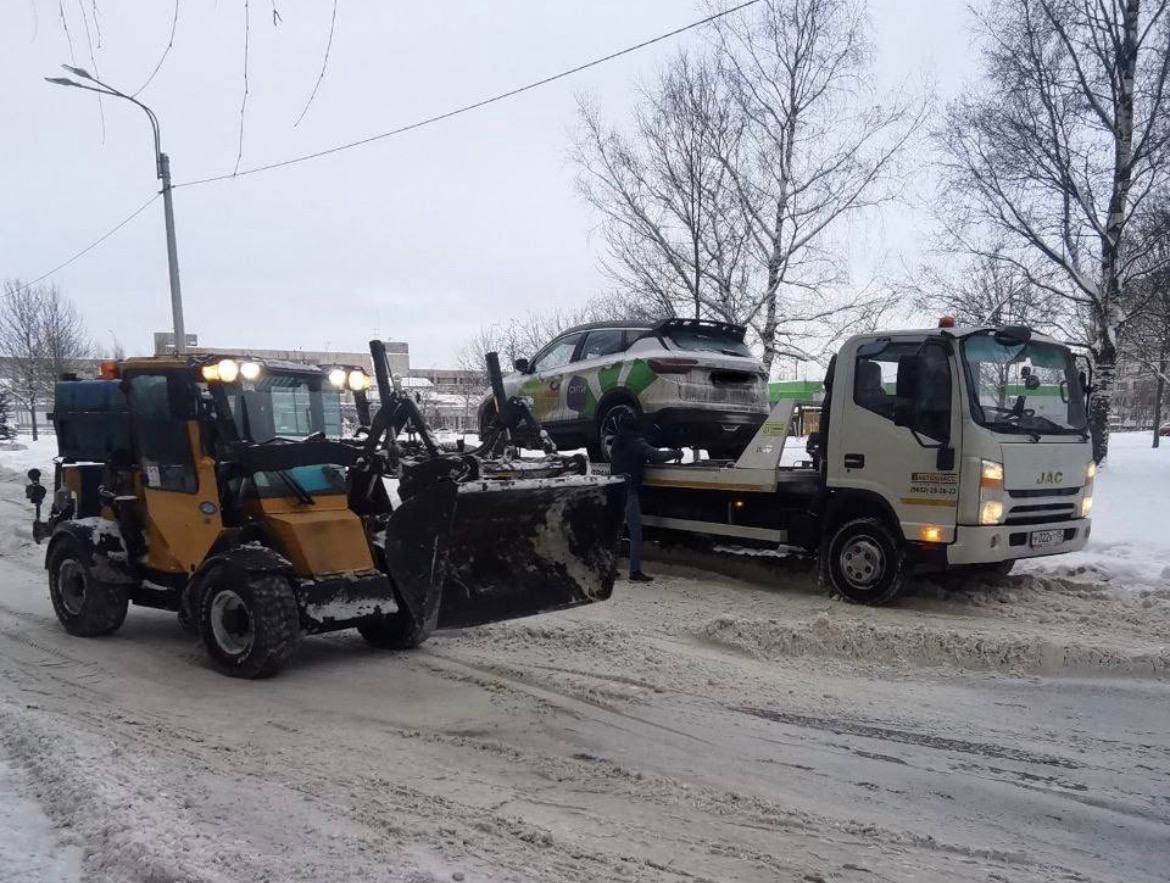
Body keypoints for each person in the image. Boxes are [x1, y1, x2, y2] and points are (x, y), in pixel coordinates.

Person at [609, 414, 682, 582]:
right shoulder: (635, 441)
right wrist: (675, 452)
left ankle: (611, 570)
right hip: (629, 491)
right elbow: (655, 455)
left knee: (615, 533)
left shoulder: (618, 442)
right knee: (636, 533)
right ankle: (635, 572)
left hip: (615, 490)